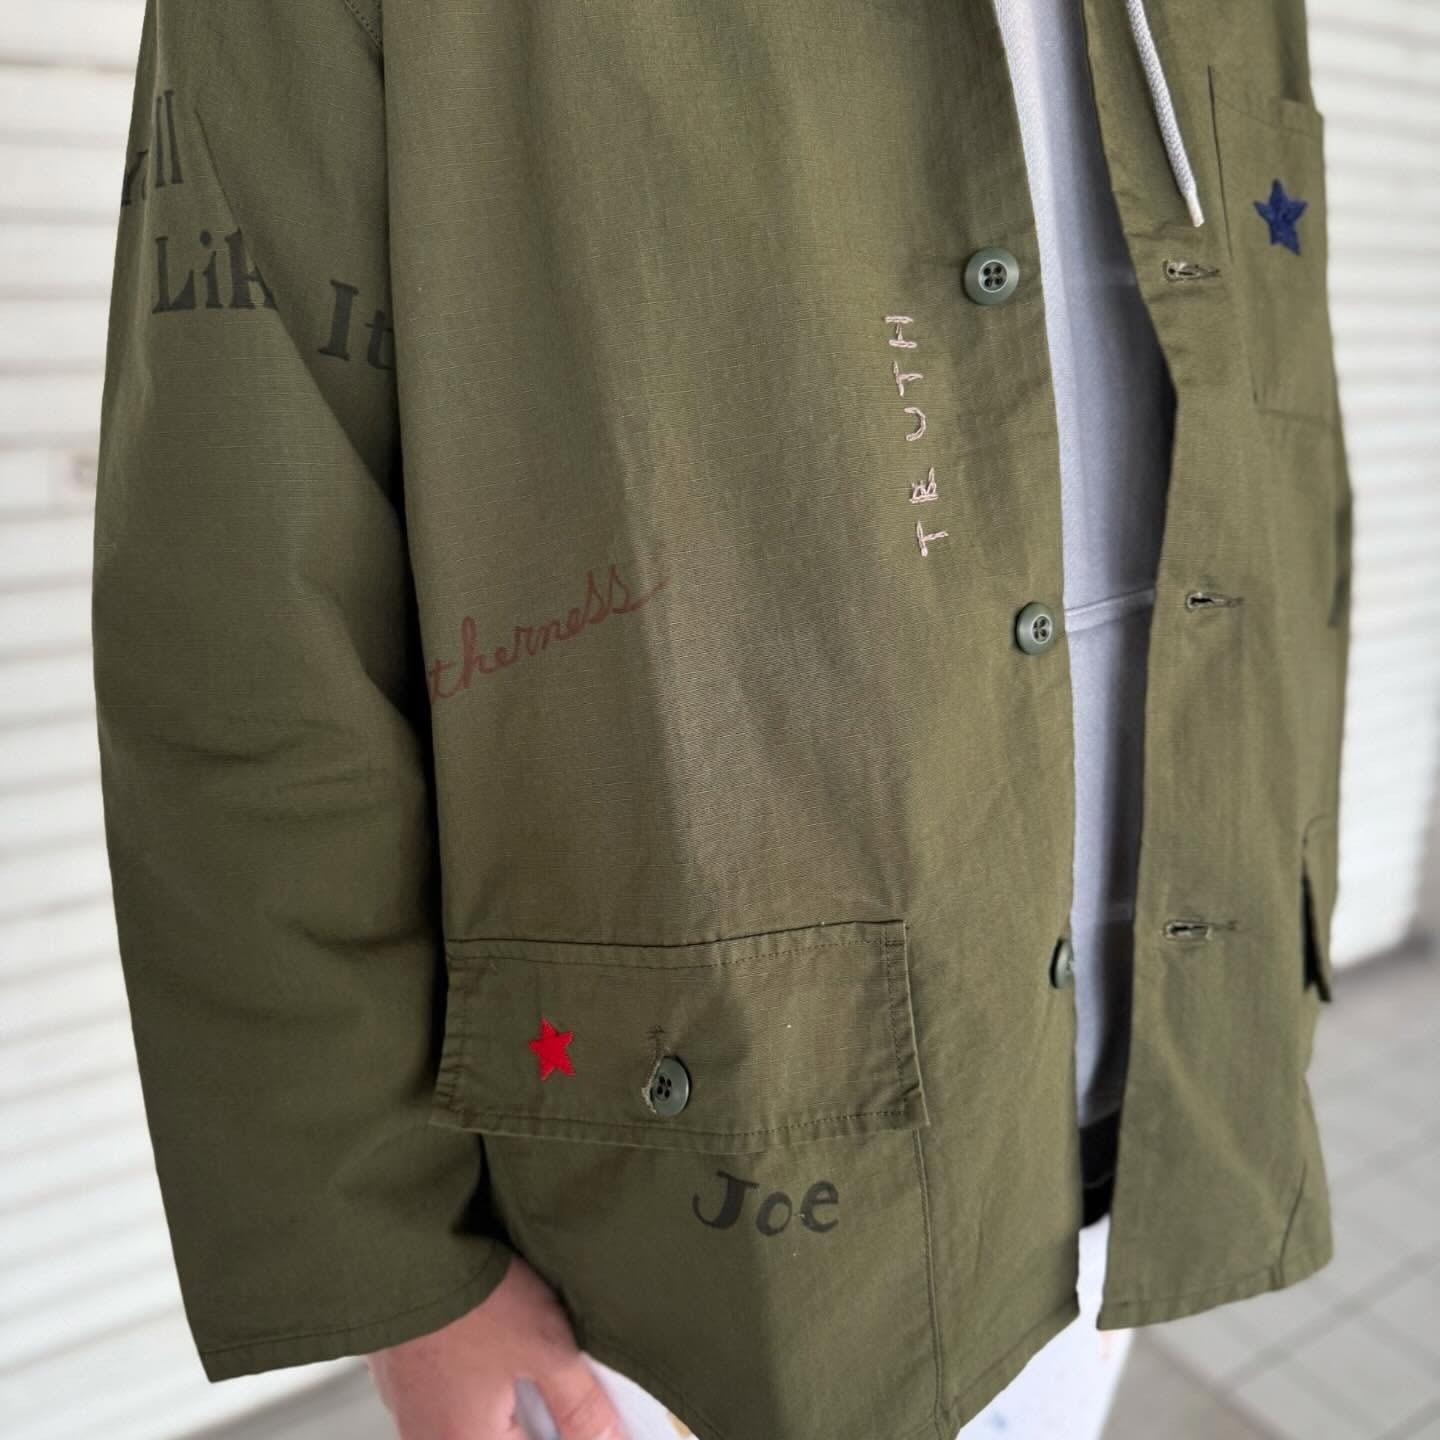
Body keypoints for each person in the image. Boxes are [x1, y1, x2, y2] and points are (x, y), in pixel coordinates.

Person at [92, 1, 1350, 1438]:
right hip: (699, 1229)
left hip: (1150, 1114)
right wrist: (388, 1256)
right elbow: (245, 580)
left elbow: (1284, 448)